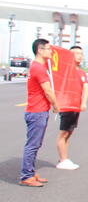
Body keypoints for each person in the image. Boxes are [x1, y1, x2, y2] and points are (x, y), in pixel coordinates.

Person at [20, 39, 58, 187]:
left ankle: (30, 172)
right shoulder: (39, 68)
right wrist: (56, 105)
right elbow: (48, 91)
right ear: (40, 51)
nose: (51, 51)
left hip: (37, 110)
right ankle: (26, 176)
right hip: (37, 111)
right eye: (48, 49)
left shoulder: (36, 66)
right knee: (32, 145)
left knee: (35, 144)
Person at [56, 45, 88, 170]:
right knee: (63, 133)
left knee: (68, 133)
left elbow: (85, 88)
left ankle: (64, 158)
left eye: (81, 54)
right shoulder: (64, 71)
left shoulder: (81, 72)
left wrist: (83, 103)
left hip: (76, 107)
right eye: (76, 53)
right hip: (67, 106)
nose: (80, 56)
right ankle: (62, 160)